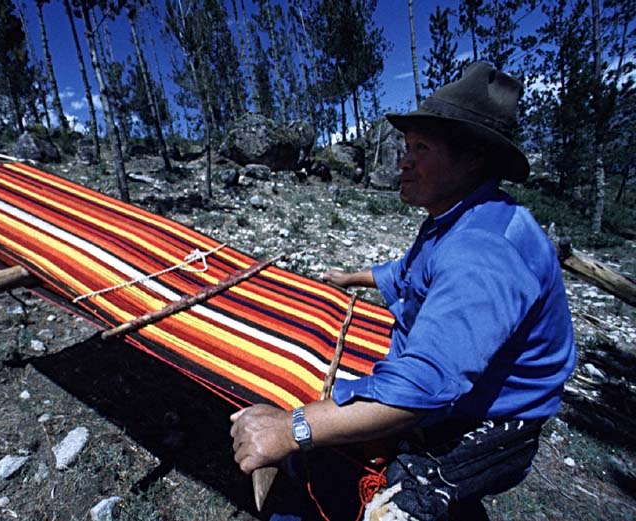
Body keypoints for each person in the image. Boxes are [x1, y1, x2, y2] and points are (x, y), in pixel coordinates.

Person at [229, 62, 576, 521]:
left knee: (394, 504)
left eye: (422, 148)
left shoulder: (482, 252)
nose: (404, 161)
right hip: (458, 391)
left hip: (494, 423)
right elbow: (409, 274)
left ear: (473, 159)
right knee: (340, 445)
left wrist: (291, 428)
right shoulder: (455, 219)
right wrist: (349, 279)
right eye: (406, 147)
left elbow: (424, 386)